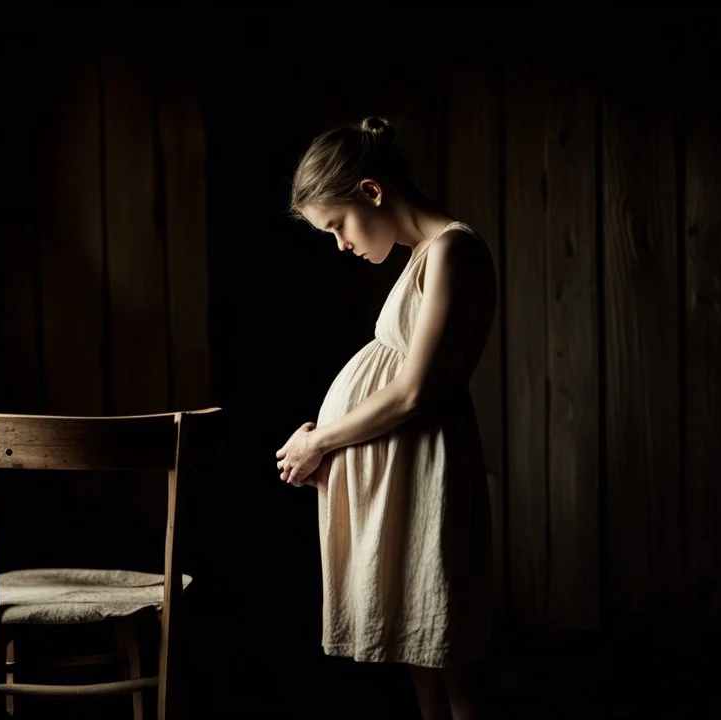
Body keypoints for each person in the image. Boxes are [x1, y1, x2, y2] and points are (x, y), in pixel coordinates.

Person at [275, 116, 497, 720]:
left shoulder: (453, 250)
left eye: (338, 226)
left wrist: (320, 441)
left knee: (450, 658)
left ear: (372, 191)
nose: (341, 245)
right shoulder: (423, 256)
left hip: (430, 474)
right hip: (405, 477)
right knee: (420, 650)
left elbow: (413, 392)